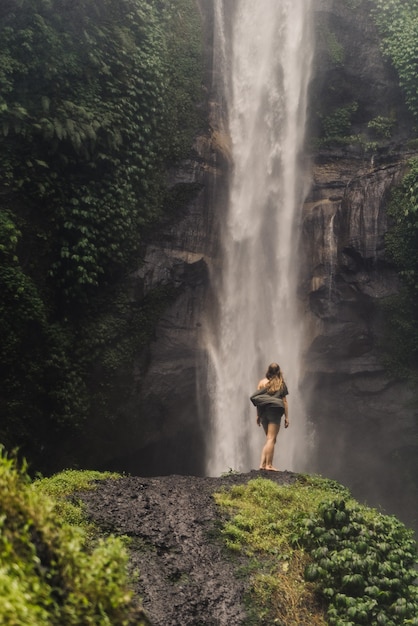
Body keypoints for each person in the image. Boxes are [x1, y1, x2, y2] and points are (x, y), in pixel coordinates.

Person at [250, 362, 289, 471]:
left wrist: (258, 415)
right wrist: (286, 417)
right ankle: (269, 465)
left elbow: (259, 400)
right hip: (274, 412)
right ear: (278, 371)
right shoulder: (281, 383)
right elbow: (284, 401)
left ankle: (262, 465)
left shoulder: (262, 383)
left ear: (268, 371)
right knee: (271, 439)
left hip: (263, 412)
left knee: (269, 439)